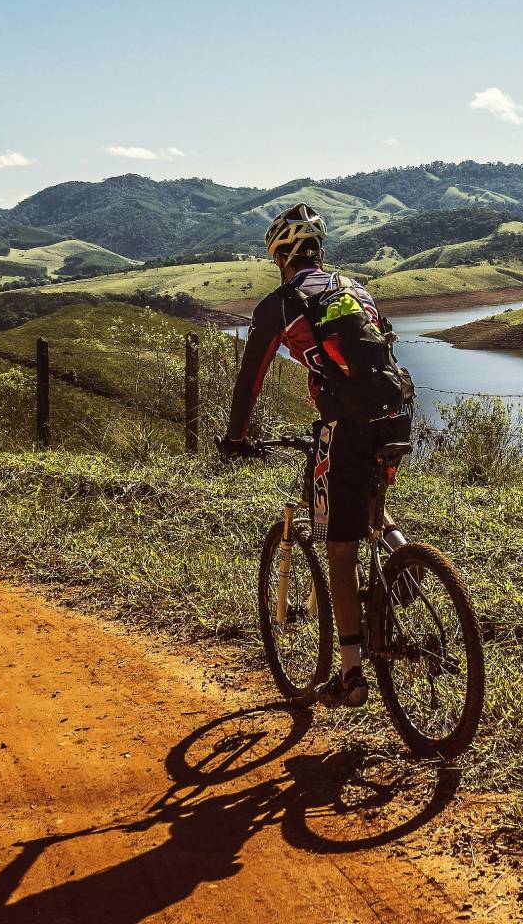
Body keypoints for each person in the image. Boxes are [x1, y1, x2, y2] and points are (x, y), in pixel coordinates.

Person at [218, 203, 413, 710]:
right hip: (396, 413)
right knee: (371, 509)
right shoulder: (355, 289)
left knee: (339, 546)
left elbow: (250, 378)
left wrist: (235, 437)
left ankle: (350, 674)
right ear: (320, 251)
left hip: (344, 426)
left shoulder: (281, 304)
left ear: (280, 257)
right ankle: (408, 565)